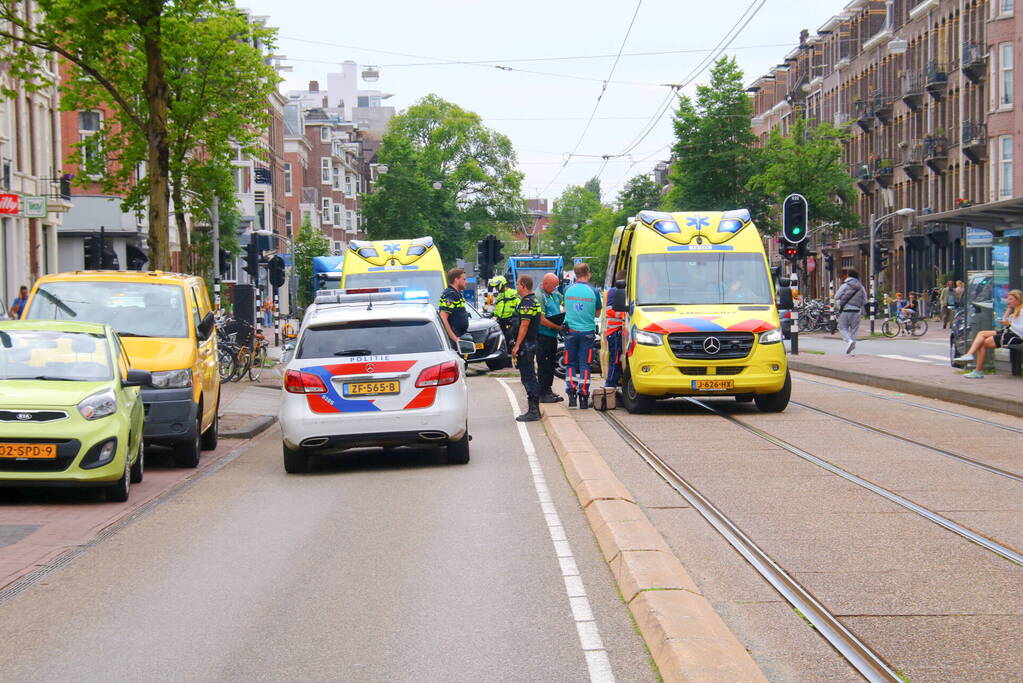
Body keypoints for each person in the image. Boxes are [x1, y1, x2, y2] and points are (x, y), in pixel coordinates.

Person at [955, 289, 1023, 378]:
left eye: (1011, 299)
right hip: (1010, 332)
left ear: (1018, 300)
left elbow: (1020, 328)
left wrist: (1010, 324)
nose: (1008, 301)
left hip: (1015, 336)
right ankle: (970, 356)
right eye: (1008, 299)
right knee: (981, 334)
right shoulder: (1016, 310)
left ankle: (977, 369)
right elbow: (1006, 322)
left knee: (982, 343)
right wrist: (1008, 311)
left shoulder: (1021, 311)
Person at [563, 262, 600, 408]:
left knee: (570, 363)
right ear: (588, 273)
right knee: (585, 364)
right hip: (587, 332)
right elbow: (597, 312)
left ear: (575, 274)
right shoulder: (594, 291)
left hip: (571, 331)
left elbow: (565, 308)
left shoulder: (567, 289)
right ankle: (583, 396)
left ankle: (571, 393)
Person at [510, 275, 542, 422]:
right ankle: (534, 408)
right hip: (531, 343)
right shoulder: (533, 300)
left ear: (523, 285)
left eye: (517, 284)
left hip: (526, 345)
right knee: (530, 376)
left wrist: (517, 345)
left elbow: (524, 324)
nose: (516, 287)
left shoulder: (526, 303)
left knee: (528, 377)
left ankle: (533, 410)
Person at [536, 273, 564, 403]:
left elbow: (564, 301)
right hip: (543, 335)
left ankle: (548, 389)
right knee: (544, 364)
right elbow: (541, 320)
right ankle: (543, 392)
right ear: (545, 283)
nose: (555, 288)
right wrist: (557, 327)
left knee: (551, 364)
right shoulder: (539, 296)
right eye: (553, 286)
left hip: (552, 336)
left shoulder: (553, 294)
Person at [604, 270, 627, 389]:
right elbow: (609, 310)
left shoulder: (618, 291)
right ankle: (609, 387)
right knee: (616, 360)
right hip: (615, 331)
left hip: (618, 331)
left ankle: (613, 386)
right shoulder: (613, 291)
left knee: (617, 360)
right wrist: (626, 315)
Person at [835, 269, 866, 355]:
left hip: (846, 310)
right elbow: (865, 300)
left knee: (842, 328)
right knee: (854, 331)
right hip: (857, 311)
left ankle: (849, 341)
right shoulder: (861, 287)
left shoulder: (845, 285)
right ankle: (853, 352)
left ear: (849, 276)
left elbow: (836, 296)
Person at [489, 274, 520, 354]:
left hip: (511, 323)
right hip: (501, 322)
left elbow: (519, 307)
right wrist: (492, 314)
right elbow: (499, 309)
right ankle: (507, 362)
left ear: (501, 284)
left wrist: (515, 318)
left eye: (496, 286)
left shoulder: (514, 294)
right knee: (502, 344)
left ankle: (514, 362)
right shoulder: (499, 296)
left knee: (511, 343)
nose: (496, 288)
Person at [439, 268, 470, 346]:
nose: (466, 282)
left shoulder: (457, 294)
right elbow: (443, 318)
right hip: (455, 340)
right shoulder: (450, 294)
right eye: (464, 279)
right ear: (456, 280)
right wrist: (454, 338)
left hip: (460, 336)